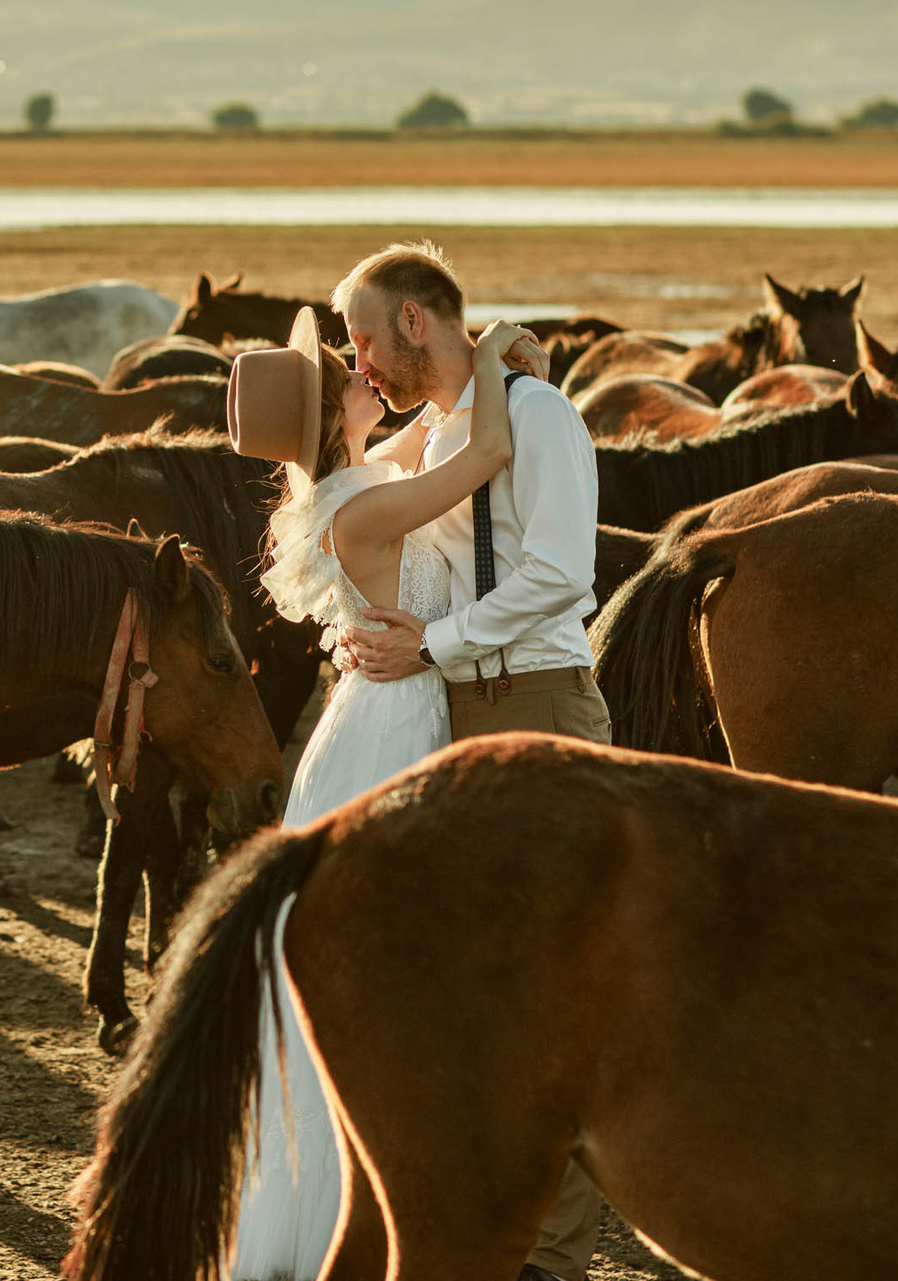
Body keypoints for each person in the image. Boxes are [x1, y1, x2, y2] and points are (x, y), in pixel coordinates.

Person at [222, 304, 543, 1280]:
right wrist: (495, 355)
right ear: (336, 414)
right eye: (345, 372)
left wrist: (472, 356)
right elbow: (483, 448)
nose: (363, 371)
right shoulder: (363, 506)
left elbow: (429, 434)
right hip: (396, 730)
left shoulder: (347, 483)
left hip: (363, 723)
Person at [338, 239, 611, 1281]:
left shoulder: (535, 416)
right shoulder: (450, 430)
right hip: (441, 711)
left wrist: (432, 647)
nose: (357, 361)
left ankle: (554, 1254)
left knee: (556, 983)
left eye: (364, 336)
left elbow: (558, 569)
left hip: (533, 702)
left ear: (415, 321)